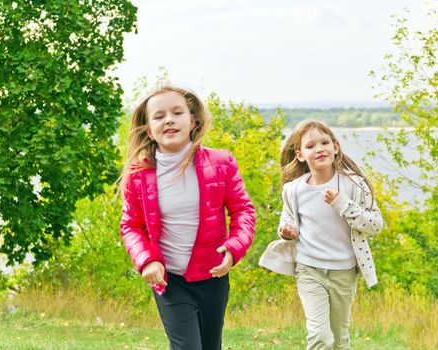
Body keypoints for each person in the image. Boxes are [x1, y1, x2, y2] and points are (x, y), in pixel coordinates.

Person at [119, 85, 255, 350]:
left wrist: (234, 248)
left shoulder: (222, 163)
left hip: (213, 277)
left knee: (209, 346)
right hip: (169, 280)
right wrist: (147, 261)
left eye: (177, 112)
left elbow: (243, 211)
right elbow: (131, 226)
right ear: (149, 130)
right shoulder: (138, 176)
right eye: (159, 116)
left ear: (193, 121)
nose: (168, 119)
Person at [259, 120, 383, 350]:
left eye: (325, 142)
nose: (319, 149)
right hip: (308, 269)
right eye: (311, 146)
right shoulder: (293, 189)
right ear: (300, 155)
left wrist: (343, 203)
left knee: (338, 340)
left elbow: (375, 225)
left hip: (343, 273)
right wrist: (286, 231)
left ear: (335, 147)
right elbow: (287, 219)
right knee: (320, 337)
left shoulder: (354, 185)